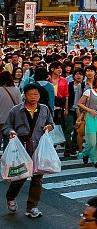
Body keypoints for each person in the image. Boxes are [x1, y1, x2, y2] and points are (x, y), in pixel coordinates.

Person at [3, 83, 54, 218]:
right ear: (25, 95)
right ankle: (10, 197)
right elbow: (6, 127)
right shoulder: (15, 110)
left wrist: (49, 127)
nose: (34, 97)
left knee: (37, 179)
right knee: (20, 177)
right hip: (21, 148)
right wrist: (11, 132)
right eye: (30, 94)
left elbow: (51, 123)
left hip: (38, 148)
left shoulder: (44, 109)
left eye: (36, 94)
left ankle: (32, 207)